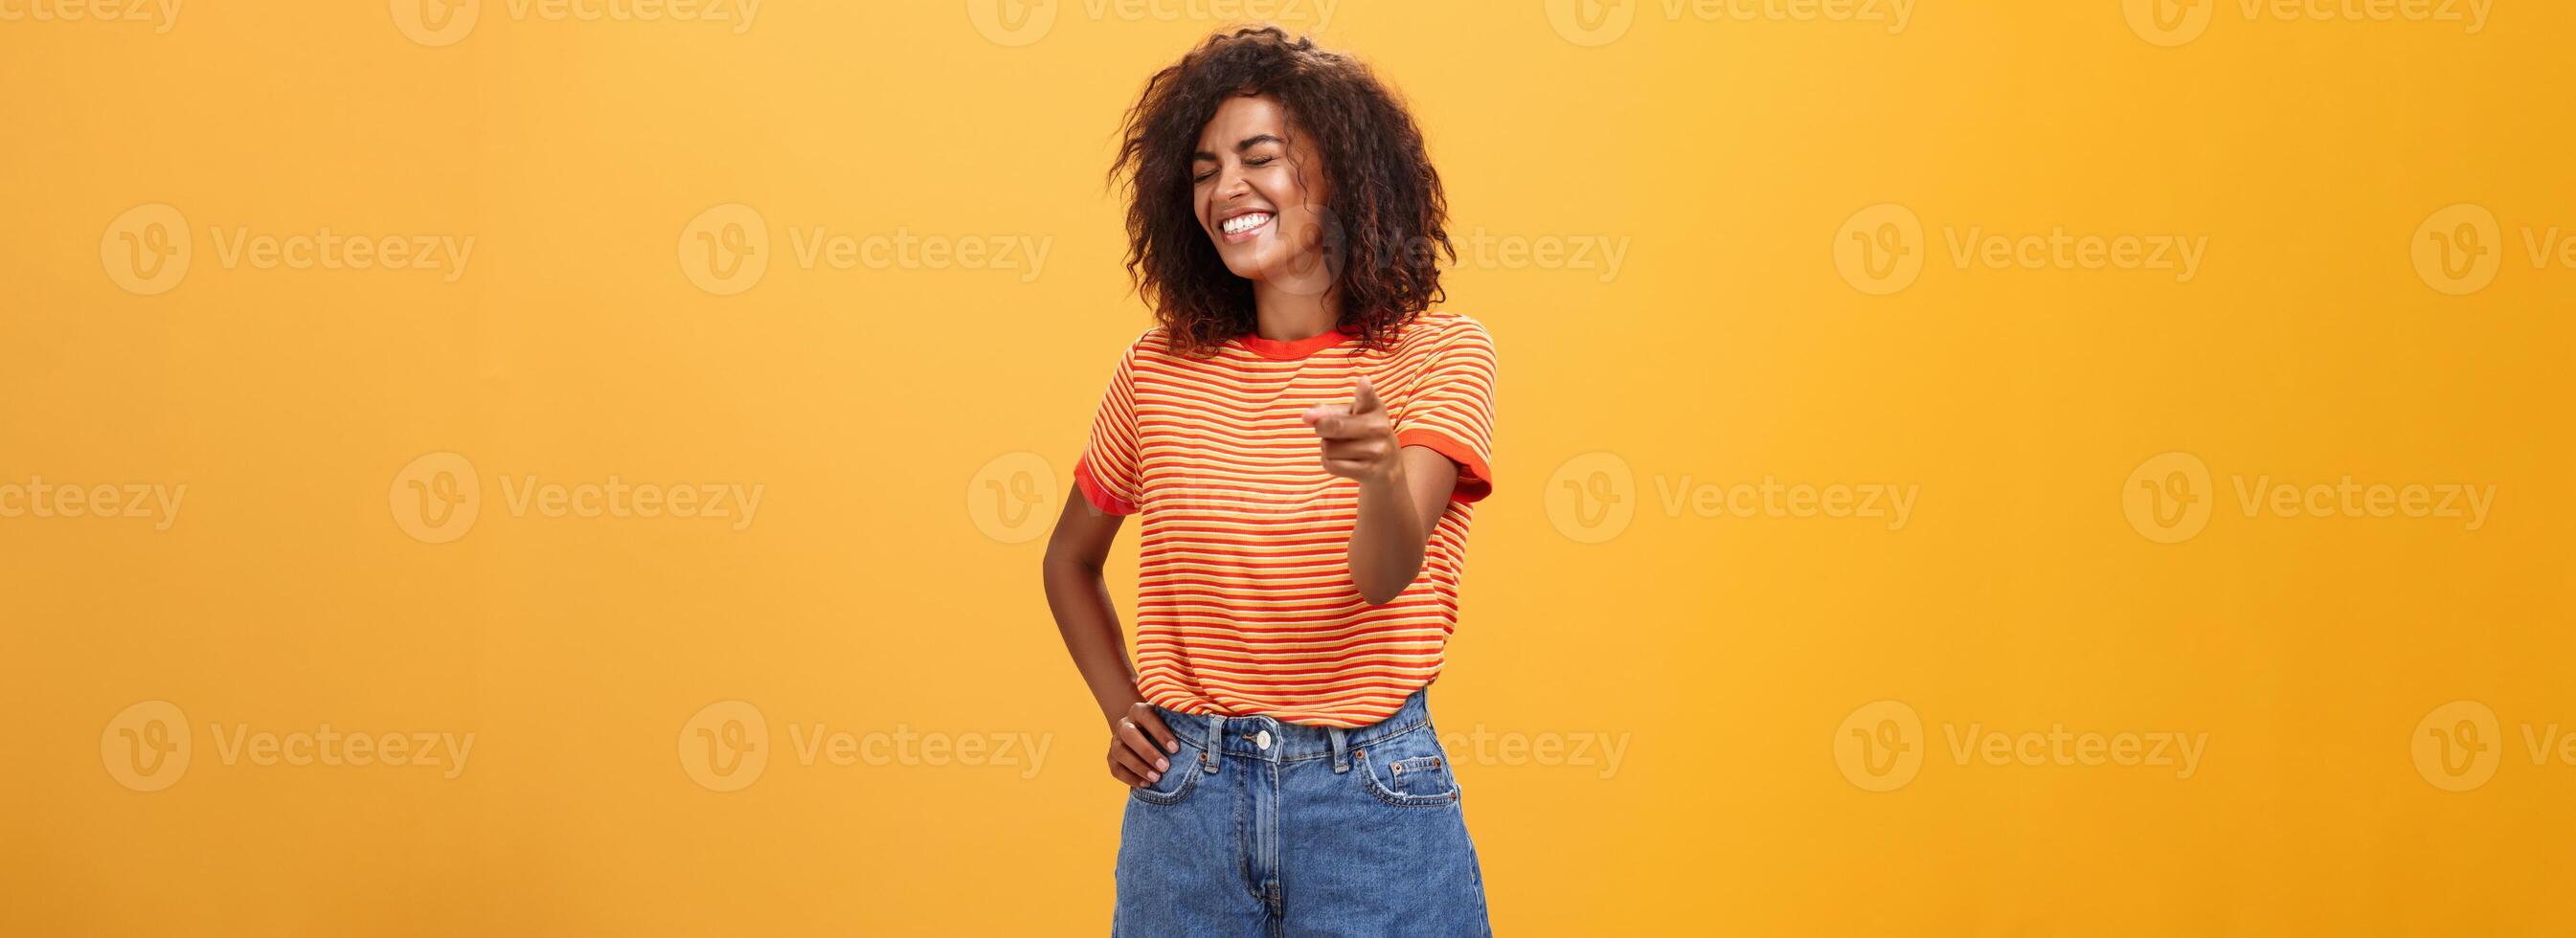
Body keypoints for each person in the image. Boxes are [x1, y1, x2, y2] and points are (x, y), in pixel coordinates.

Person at [1042, 26, 1499, 936]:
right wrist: (1123, 706)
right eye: (1205, 169)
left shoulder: (1440, 354)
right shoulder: (1156, 371)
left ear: (1343, 175)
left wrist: (1374, 473)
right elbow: (1068, 560)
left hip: (1371, 800)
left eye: (1261, 158)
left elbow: (1383, 578)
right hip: (1189, 809)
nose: (1227, 191)